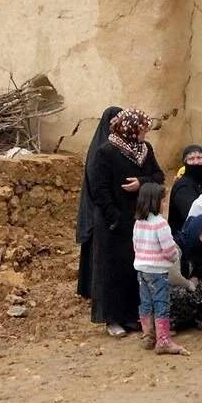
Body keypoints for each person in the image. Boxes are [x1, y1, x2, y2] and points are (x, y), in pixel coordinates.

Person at [87, 108, 165, 337]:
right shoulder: (106, 152)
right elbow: (99, 189)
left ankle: (131, 316)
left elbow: (158, 176)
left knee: (134, 269)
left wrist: (141, 182)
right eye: (142, 129)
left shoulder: (144, 150)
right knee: (112, 270)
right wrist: (115, 217)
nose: (145, 133)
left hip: (138, 219)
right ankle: (112, 319)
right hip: (112, 222)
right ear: (129, 129)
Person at [132, 182, 189, 355]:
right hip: (157, 271)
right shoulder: (160, 224)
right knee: (161, 303)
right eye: (162, 201)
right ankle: (163, 340)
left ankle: (148, 335)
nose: (164, 205)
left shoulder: (138, 222)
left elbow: (135, 245)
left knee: (146, 302)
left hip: (142, 269)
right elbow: (168, 249)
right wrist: (174, 257)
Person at [76, 106, 122, 299]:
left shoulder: (115, 146)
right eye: (115, 120)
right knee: (97, 249)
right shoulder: (101, 150)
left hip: (107, 206)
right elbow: (97, 183)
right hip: (99, 207)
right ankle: (94, 290)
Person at [167, 145, 202, 234]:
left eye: (199, 158)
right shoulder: (183, 186)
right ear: (185, 162)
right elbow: (191, 214)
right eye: (191, 159)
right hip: (185, 236)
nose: (196, 162)